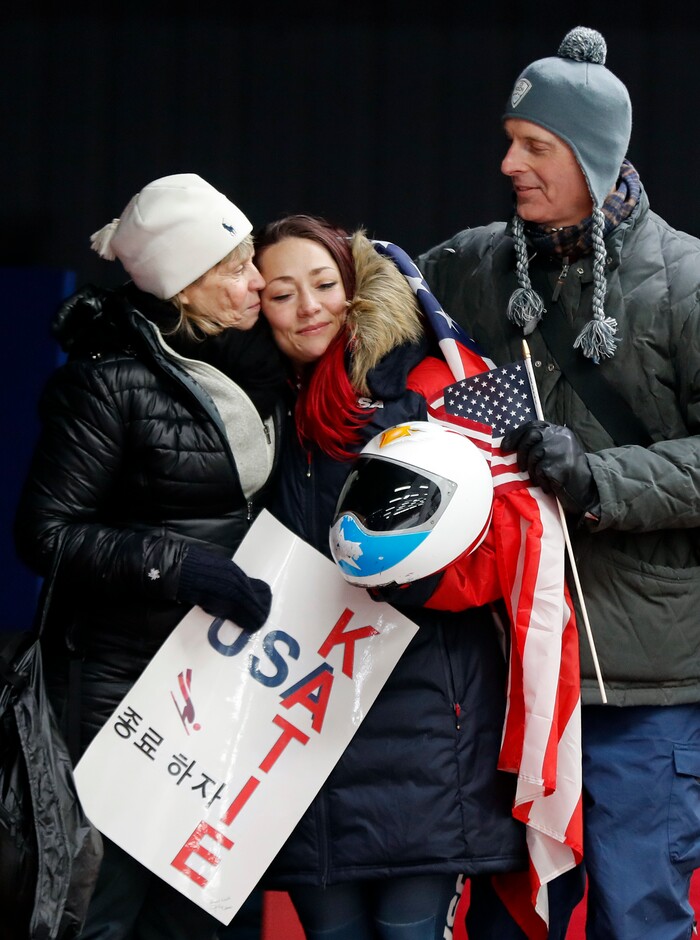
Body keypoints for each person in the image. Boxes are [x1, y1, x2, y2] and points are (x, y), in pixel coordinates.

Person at [416, 25, 700, 940]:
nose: (508, 163)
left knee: (637, 915)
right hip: (506, 670)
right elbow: (352, 320)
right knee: (509, 921)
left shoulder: (688, 283)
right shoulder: (469, 266)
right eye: (510, 139)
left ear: (596, 155)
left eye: (535, 146)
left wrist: (599, 478)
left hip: (642, 680)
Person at [14, 173, 287, 940]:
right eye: (235, 267)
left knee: (206, 910)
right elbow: (45, 533)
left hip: (223, 686)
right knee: (112, 914)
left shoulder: (260, 372)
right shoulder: (106, 384)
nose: (258, 281)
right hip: (122, 694)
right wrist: (176, 565)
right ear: (182, 286)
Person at [252, 213, 528, 940]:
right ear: (257, 305)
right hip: (302, 720)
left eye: (323, 284)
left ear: (355, 286)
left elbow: (495, 549)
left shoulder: (426, 380)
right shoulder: (255, 402)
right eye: (282, 294)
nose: (308, 307)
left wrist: (401, 576)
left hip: (423, 720)